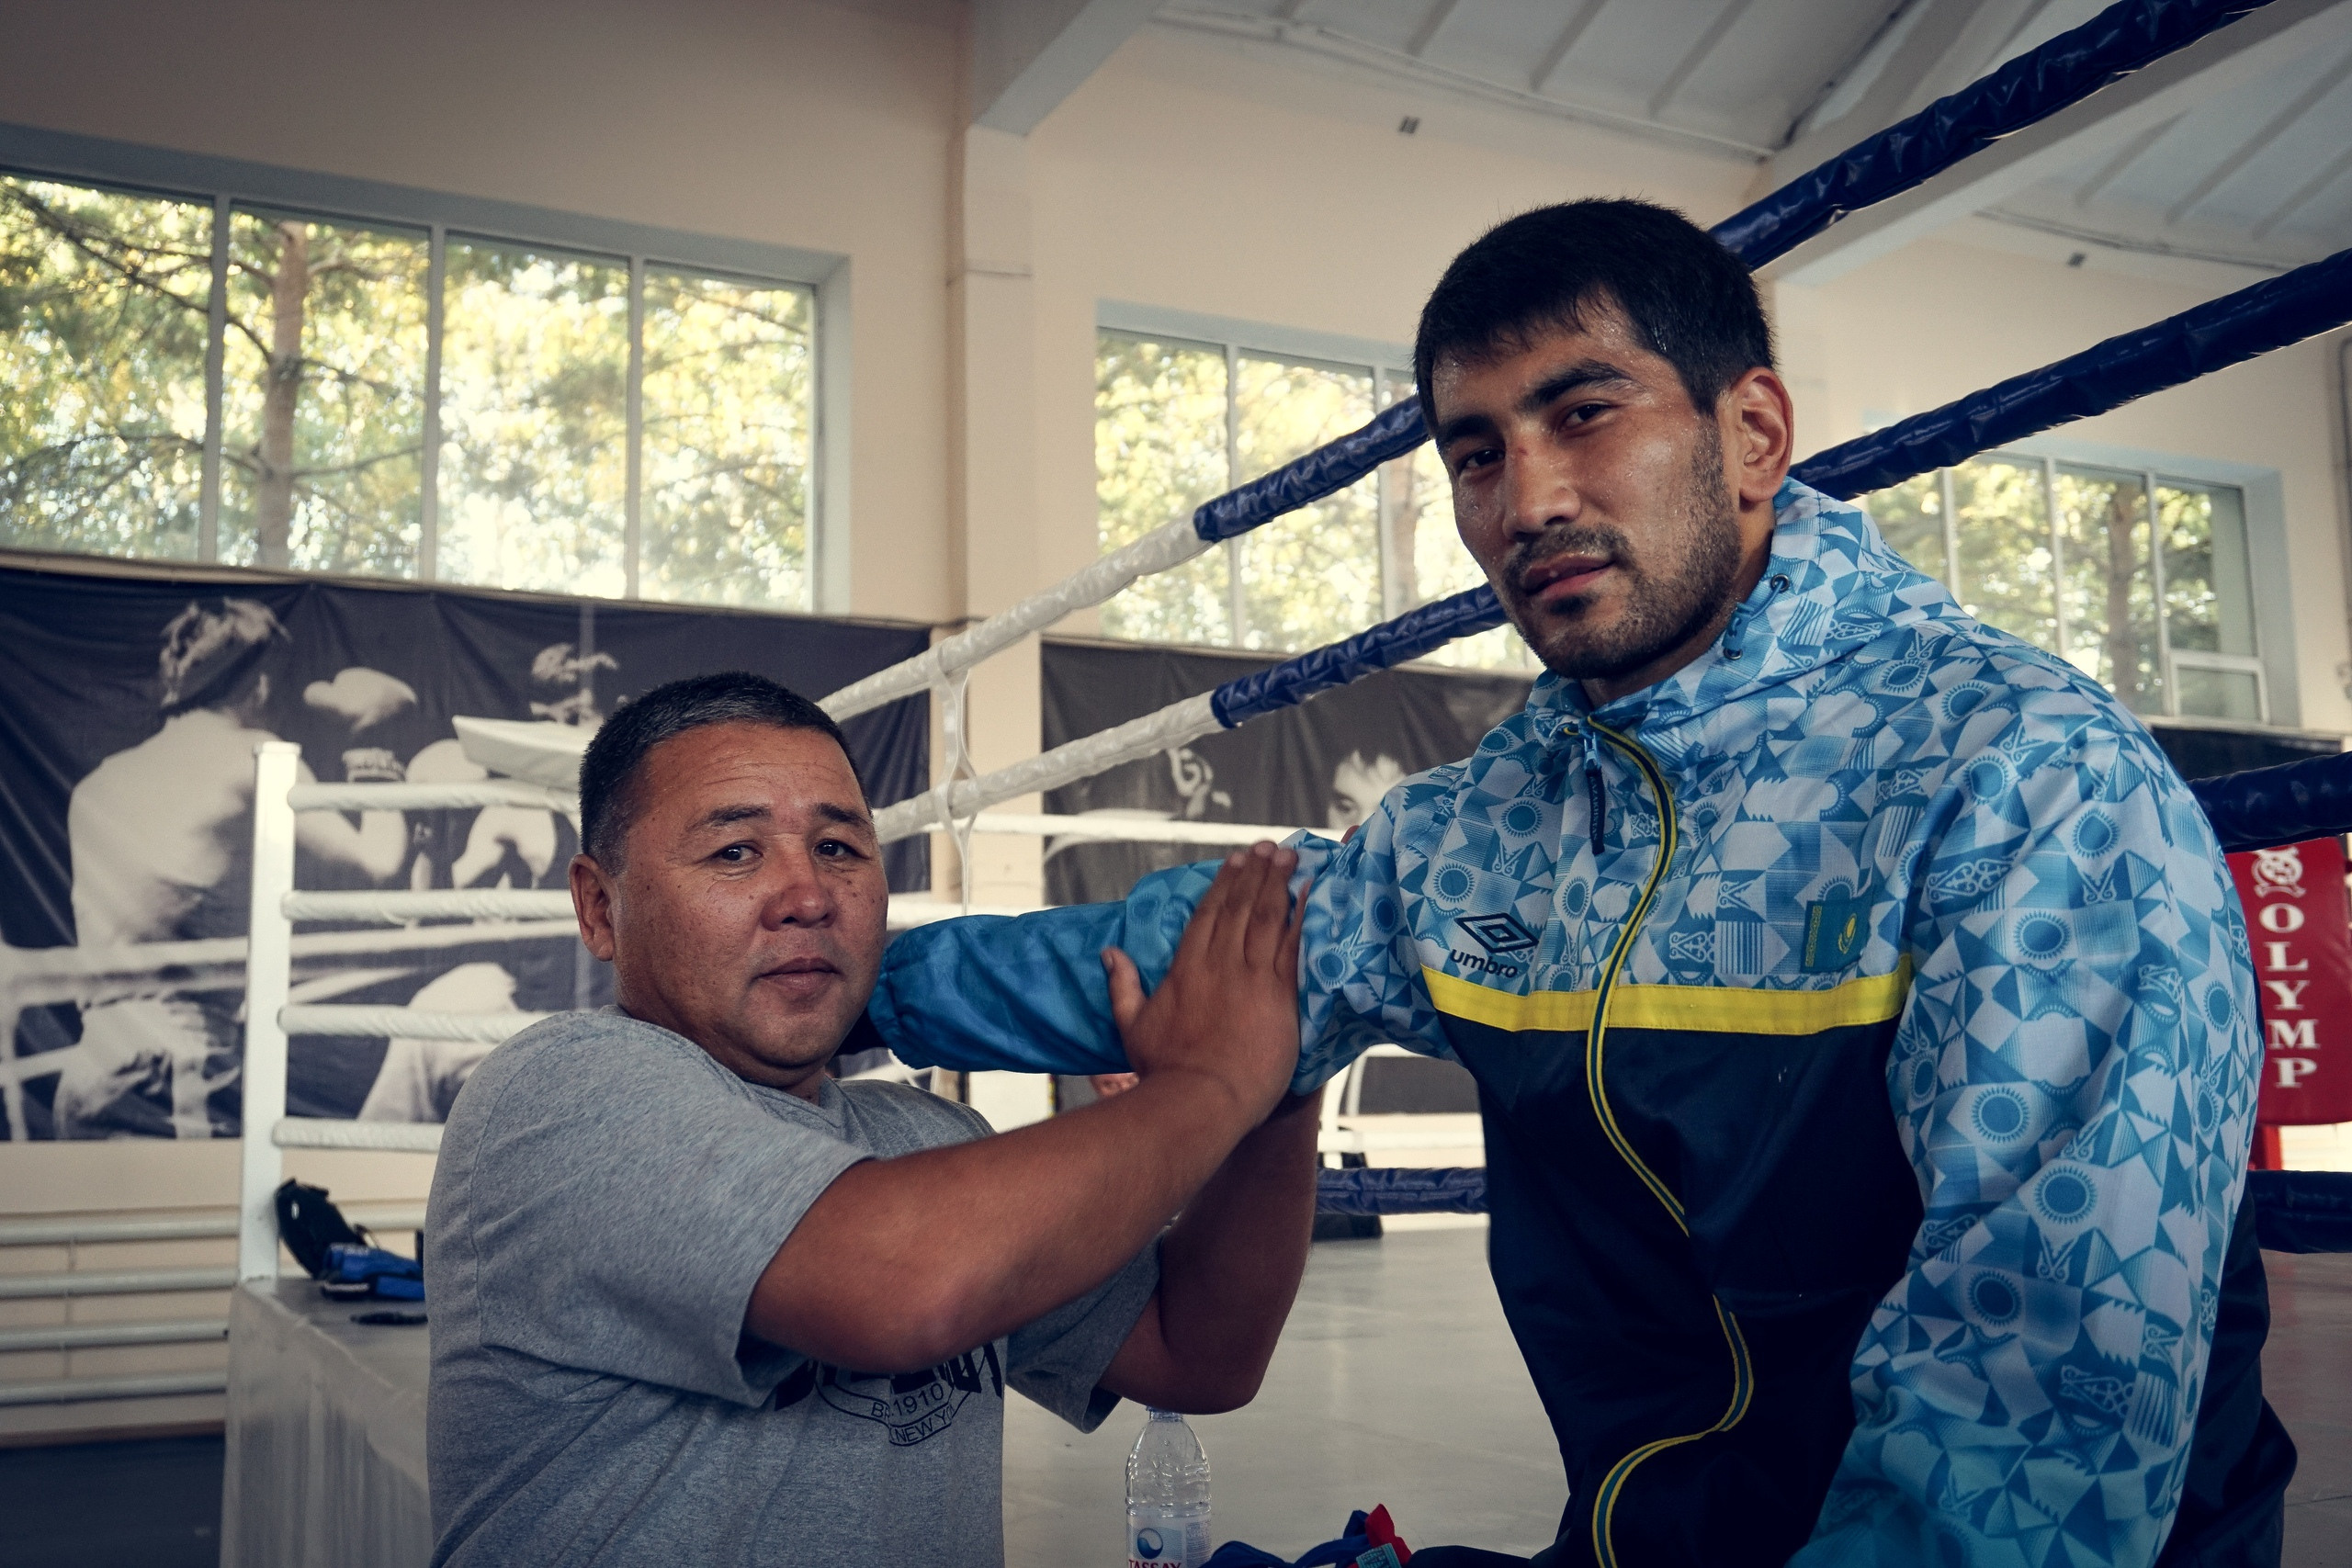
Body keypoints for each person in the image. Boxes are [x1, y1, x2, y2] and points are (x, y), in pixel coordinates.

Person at [864, 201, 2288, 1567]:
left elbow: (2033, 1395)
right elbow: (1181, 961)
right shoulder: (1494, 819)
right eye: (1477, 452)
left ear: (1753, 434)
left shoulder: (2024, 777)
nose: (1529, 497)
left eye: (1585, 413)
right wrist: (829, 974)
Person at [425, 671, 1322, 1567]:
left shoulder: (923, 1139)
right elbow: (901, 1286)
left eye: (840, 849)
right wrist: (1210, 1080)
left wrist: (1287, 1071)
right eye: (735, 852)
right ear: (598, 906)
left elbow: (1198, 1354)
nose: (808, 895)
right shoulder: (557, 1097)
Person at [58, 598, 408, 1138]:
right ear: (264, 681)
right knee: (200, 1223)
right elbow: (379, 862)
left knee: (95, 1223)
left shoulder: (97, 785)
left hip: (89, 1071)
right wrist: (376, 737)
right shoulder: (254, 757)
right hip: (180, 1067)